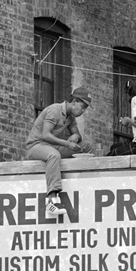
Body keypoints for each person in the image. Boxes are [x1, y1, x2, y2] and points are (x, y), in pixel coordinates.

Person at [25, 87, 92, 218]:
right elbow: (45, 135)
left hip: (51, 146)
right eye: (82, 107)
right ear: (74, 101)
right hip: (36, 146)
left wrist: (76, 137)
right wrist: (67, 143)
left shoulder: (70, 117)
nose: (83, 111)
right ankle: (51, 201)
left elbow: (77, 134)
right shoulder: (54, 110)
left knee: (86, 146)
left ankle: (83, 186)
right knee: (53, 155)